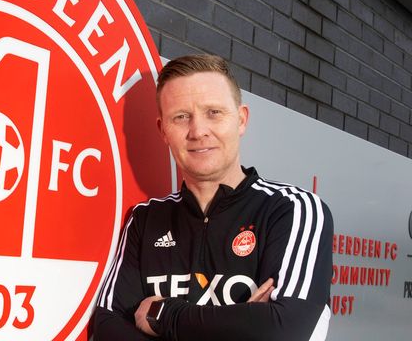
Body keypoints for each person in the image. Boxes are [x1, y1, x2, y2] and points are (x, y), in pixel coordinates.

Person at [94, 54, 333, 340]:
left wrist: (165, 315)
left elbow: (287, 329)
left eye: (214, 113)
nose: (198, 131)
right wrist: (243, 323)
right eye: (181, 117)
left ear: (241, 120)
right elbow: (107, 326)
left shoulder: (292, 208)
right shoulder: (145, 219)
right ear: (163, 131)